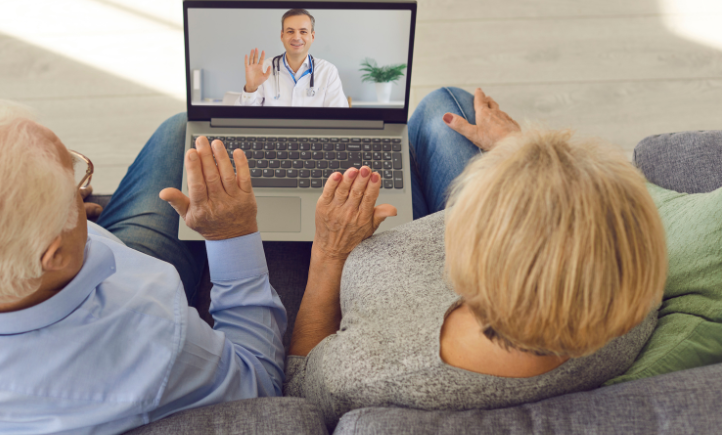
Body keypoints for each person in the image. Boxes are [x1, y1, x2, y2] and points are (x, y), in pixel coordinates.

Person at [0, 100, 289, 435]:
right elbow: (262, 385)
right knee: (180, 131)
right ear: (55, 257)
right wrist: (232, 235)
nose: (82, 184)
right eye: (75, 178)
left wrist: (39, 221)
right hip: (116, 319)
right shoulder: (152, 345)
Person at [283, 87, 669, 427]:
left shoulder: (365, 371)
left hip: (350, 256)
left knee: (441, 108)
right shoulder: (630, 297)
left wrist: (330, 252)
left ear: (462, 273)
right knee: (446, 107)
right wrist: (529, 159)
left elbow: (300, 390)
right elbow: (579, 238)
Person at [236, 8, 349, 107]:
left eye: (303, 32)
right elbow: (243, 118)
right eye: (290, 31)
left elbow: (339, 118)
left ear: (312, 36)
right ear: (282, 36)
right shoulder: (265, 69)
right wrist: (250, 89)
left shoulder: (328, 71)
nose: (296, 37)